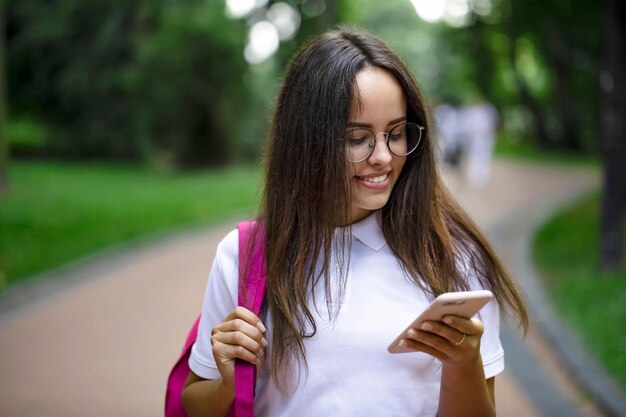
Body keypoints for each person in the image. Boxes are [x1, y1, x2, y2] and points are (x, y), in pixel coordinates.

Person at [182, 27, 528, 417]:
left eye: (396, 133)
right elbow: (195, 404)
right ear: (307, 141)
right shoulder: (246, 256)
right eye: (357, 138)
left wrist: (464, 364)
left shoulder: (454, 258)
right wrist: (230, 381)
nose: (383, 156)